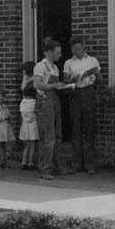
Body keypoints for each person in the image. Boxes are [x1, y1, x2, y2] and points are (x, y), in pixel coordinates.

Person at [63, 37, 102, 174]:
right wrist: (72, 78)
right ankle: (77, 163)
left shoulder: (92, 60)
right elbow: (65, 82)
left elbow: (100, 80)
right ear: (72, 50)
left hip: (88, 93)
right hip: (75, 94)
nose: (77, 51)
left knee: (89, 129)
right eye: (75, 49)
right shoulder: (68, 63)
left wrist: (96, 73)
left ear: (83, 47)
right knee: (76, 129)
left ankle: (89, 164)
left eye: (79, 48)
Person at [33, 39, 69, 180]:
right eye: (58, 52)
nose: (60, 55)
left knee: (57, 135)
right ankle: (45, 169)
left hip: (54, 100)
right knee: (48, 137)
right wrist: (54, 86)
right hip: (45, 101)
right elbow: (37, 84)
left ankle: (56, 165)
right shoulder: (41, 66)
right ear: (49, 52)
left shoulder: (54, 67)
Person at [19, 85, 40, 170]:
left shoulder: (22, 102)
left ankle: (23, 162)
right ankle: (31, 163)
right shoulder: (35, 102)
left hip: (24, 125)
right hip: (32, 125)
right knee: (32, 146)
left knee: (26, 145)